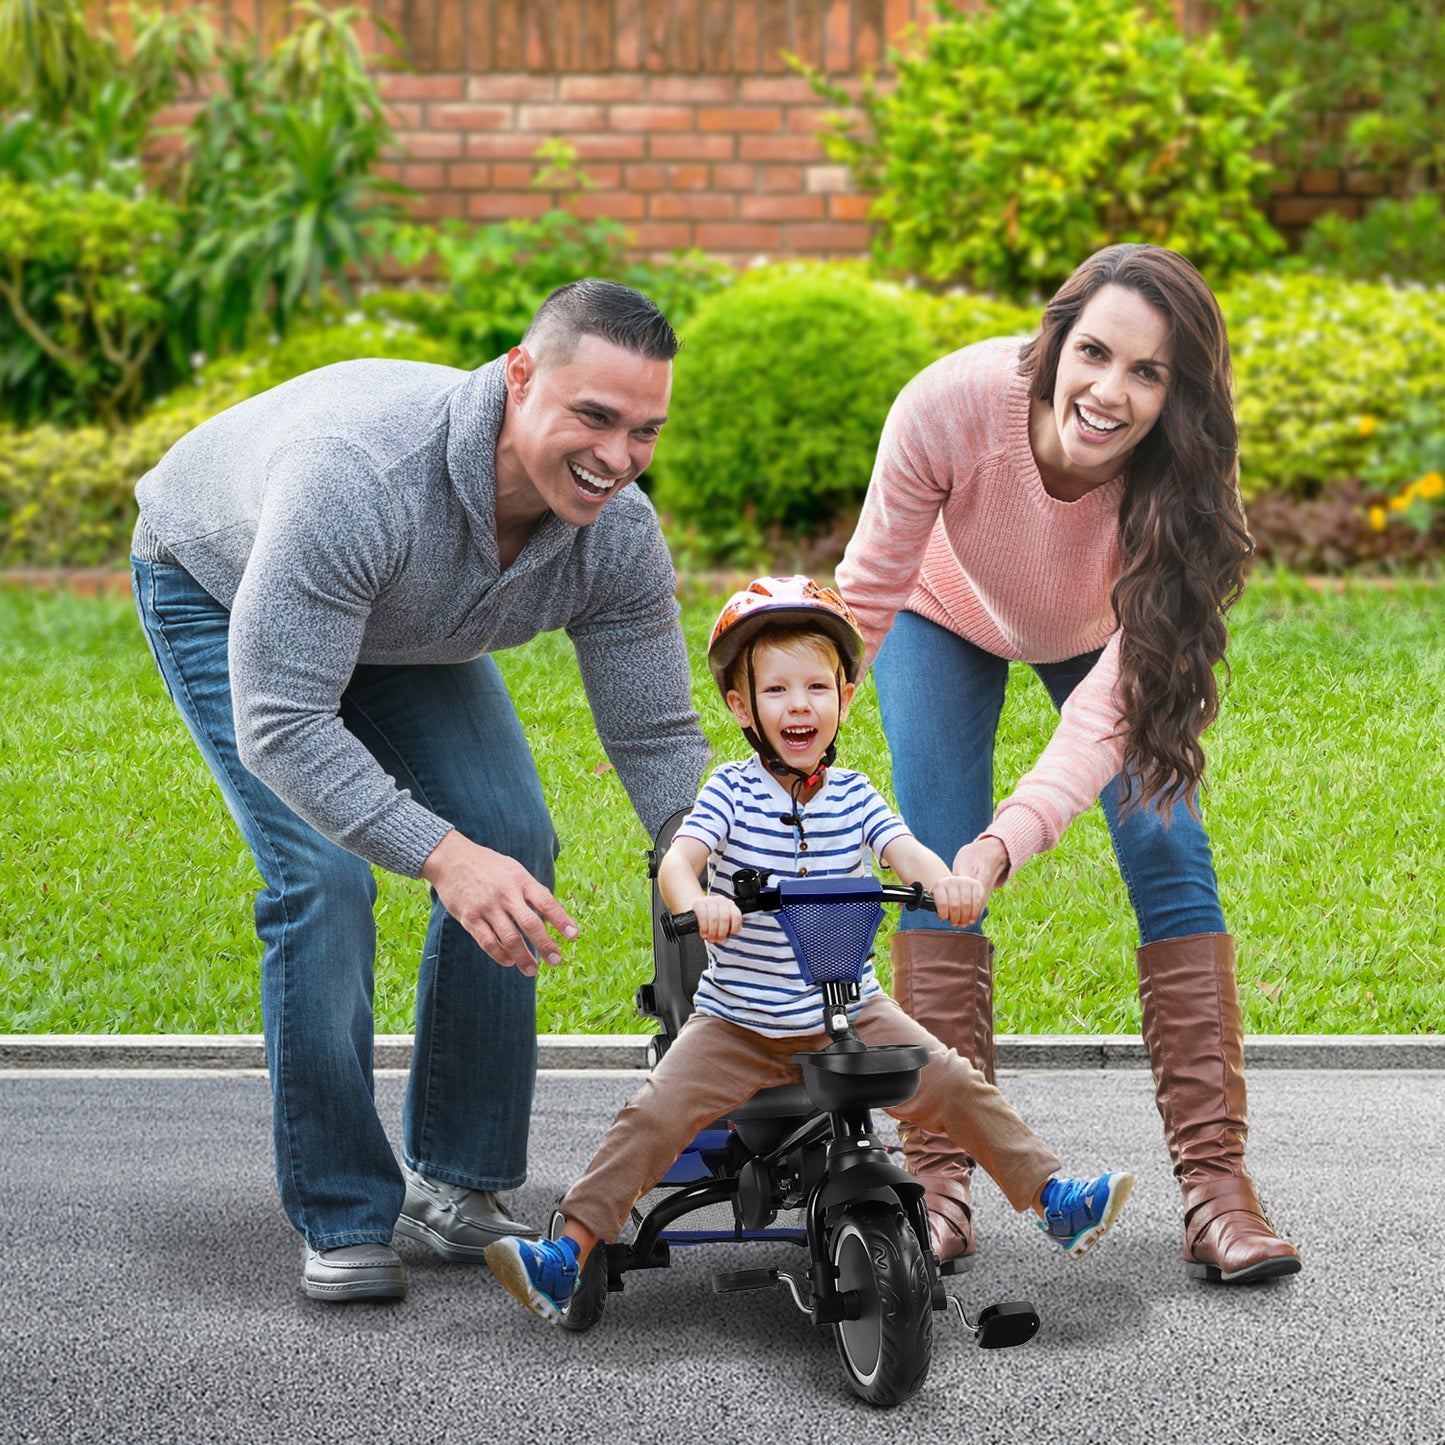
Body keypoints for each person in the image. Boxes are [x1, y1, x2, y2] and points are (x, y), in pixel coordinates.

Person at [129, 279, 711, 1302]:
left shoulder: (614, 533)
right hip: (216, 579)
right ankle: (345, 1210)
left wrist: (705, 854)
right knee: (322, 874)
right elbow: (284, 722)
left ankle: (457, 1182)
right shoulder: (361, 479)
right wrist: (440, 855)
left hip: (407, 613)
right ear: (518, 375)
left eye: (645, 431)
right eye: (594, 417)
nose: (617, 457)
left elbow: (657, 730)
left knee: (513, 837)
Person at [835, 243, 1300, 1285]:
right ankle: (937, 1177)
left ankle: (1217, 1190)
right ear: (1053, 341)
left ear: (1178, 393)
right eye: (1094, 352)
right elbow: (864, 598)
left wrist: (1013, 838)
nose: (1110, 391)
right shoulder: (950, 404)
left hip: (1104, 634)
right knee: (936, 861)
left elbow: (1102, 721)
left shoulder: (1182, 476)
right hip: (938, 614)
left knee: (1166, 842)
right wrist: (793, 759)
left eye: (1149, 372)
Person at [482, 576, 1133, 1322]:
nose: (800, 705)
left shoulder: (855, 795)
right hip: (738, 1025)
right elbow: (677, 861)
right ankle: (566, 1253)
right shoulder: (727, 792)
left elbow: (904, 852)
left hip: (849, 1014)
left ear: (844, 699)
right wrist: (698, 903)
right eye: (779, 689)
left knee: (953, 1080)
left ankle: (1054, 1199)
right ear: (742, 706)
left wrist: (946, 882)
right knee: (650, 1116)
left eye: (817, 687)